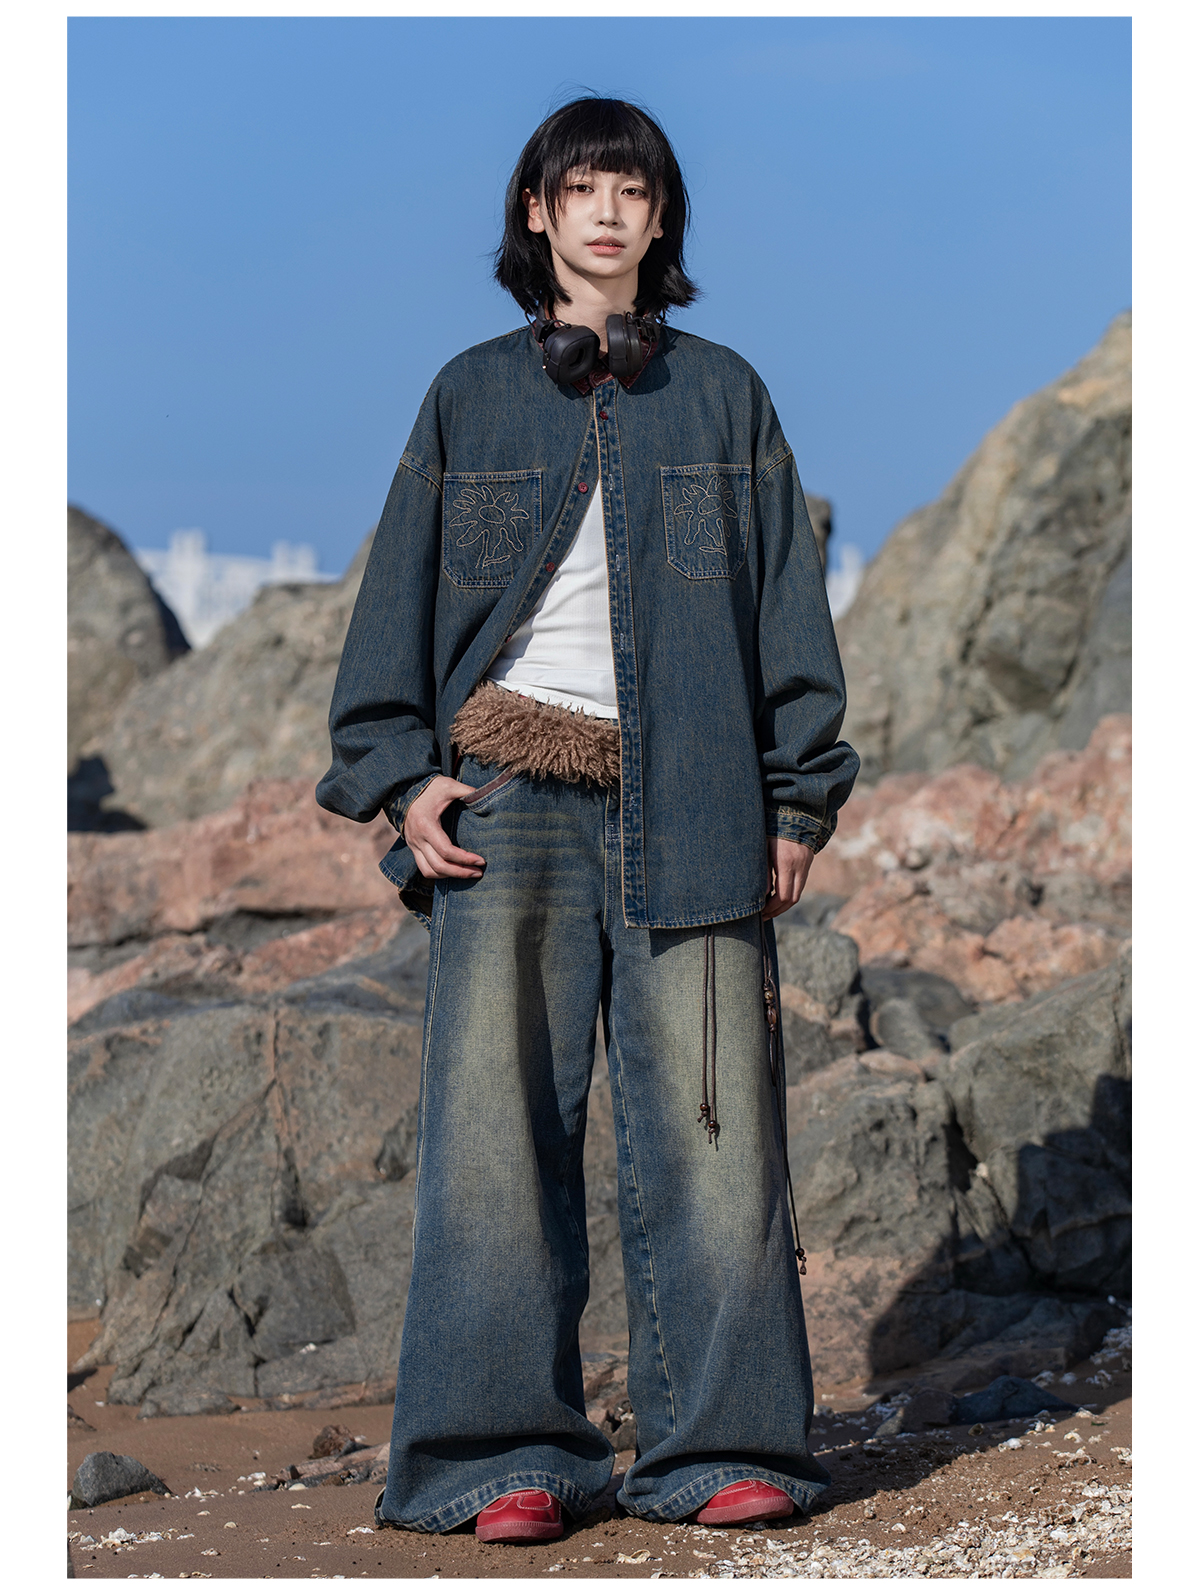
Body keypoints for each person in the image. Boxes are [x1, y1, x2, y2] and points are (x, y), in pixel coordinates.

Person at [317, 95, 859, 1543]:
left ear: (661, 218)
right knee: (496, 1141)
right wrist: (402, 780)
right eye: (582, 190)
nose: (608, 213)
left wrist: (797, 801)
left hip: (700, 804)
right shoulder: (468, 395)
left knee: (716, 1133)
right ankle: (501, 1458)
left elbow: (787, 616)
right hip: (509, 807)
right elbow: (393, 615)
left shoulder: (727, 395)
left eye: (633, 190)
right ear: (538, 214)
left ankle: (723, 1446)